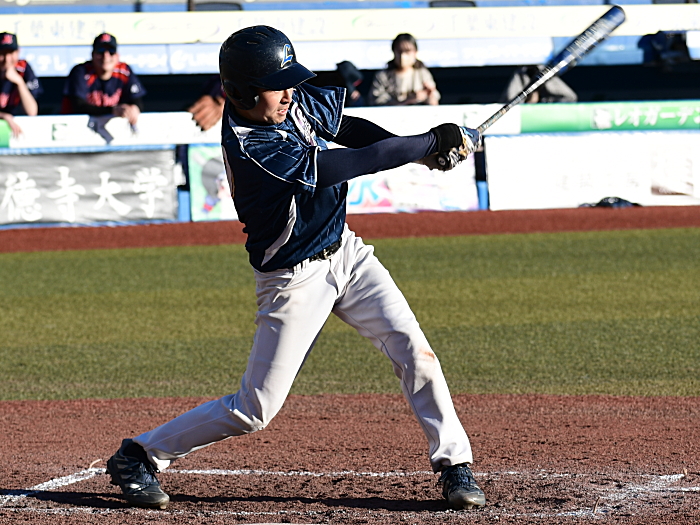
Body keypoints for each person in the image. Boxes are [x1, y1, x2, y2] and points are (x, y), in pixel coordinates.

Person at [105, 25, 484, 513]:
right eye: (275, 86)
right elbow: (350, 163)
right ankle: (139, 455)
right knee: (255, 408)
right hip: (293, 278)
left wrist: (425, 153)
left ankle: (454, 463)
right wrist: (427, 141)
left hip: (345, 252)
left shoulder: (283, 98)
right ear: (241, 93)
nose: (288, 94)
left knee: (415, 349)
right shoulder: (252, 146)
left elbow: (347, 128)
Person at [61, 33, 146, 128]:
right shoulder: (82, 72)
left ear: (117, 56)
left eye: (111, 51)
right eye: (100, 51)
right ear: (92, 55)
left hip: (110, 128)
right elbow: (78, 106)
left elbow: (137, 100)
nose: (106, 56)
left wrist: (135, 108)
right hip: (75, 128)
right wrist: (112, 110)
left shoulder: (124, 71)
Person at [369, 33, 440, 106]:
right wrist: (408, 101)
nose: (402, 56)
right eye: (399, 51)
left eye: (407, 51)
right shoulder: (383, 76)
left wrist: (429, 95)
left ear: (415, 52)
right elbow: (376, 102)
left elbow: (434, 103)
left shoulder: (422, 74)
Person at [0, 32, 42, 137]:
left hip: (17, 134)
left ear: (18, 52)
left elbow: (32, 112)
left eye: (11, 53)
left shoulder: (23, 68)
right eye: (2, 53)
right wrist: (3, 116)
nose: (7, 59)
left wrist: (19, 82)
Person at [499, 65, 577, 104]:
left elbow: (571, 98)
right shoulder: (521, 73)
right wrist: (528, 100)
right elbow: (508, 104)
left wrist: (544, 104)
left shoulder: (546, 72)